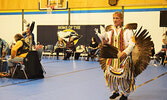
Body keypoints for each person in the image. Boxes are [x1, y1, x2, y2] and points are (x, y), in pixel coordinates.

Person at [101, 11, 136, 100]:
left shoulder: (128, 31)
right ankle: (114, 91)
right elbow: (108, 42)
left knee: (124, 76)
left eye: (117, 18)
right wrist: (104, 42)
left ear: (121, 19)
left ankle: (125, 94)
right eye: (114, 18)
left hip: (123, 57)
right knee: (110, 75)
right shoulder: (110, 31)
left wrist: (125, 52)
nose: (115, 20)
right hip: (112, 57)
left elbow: (132, 43)